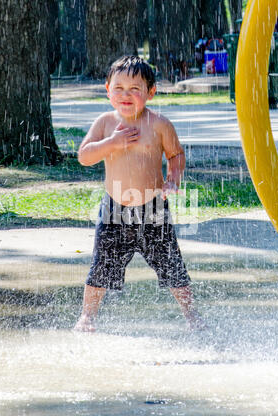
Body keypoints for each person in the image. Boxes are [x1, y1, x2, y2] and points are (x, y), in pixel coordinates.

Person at [74, 55, 206, 332]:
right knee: (101, 265)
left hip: (153, 209)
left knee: (172, 265)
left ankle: (192, 315)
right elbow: (84, 156)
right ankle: (87, 316)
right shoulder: (105, 123)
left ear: (151, 92)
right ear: (107, 89)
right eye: (119, 88)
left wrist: (173, 179)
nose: (126, 95)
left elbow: (176, 155)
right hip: (114, 209)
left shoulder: (158, 124)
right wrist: (111, 143)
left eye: (135, 89)